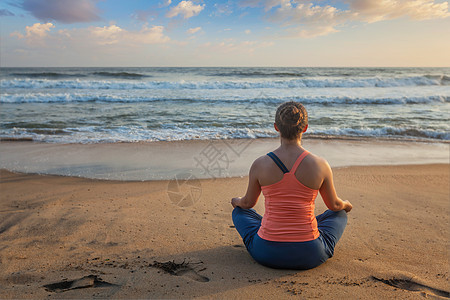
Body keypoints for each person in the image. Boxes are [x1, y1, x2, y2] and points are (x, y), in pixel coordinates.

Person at [231, 101, 352, 270]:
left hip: (266, 252)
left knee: (240, 212)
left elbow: (247, 204)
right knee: (339, 214)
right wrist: (346, 204)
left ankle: (271, 230)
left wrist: (236, 201)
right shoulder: (320, 165)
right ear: (305, 128)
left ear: (276, 127)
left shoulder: (260, 164)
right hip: (310, 254)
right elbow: (335, 205)